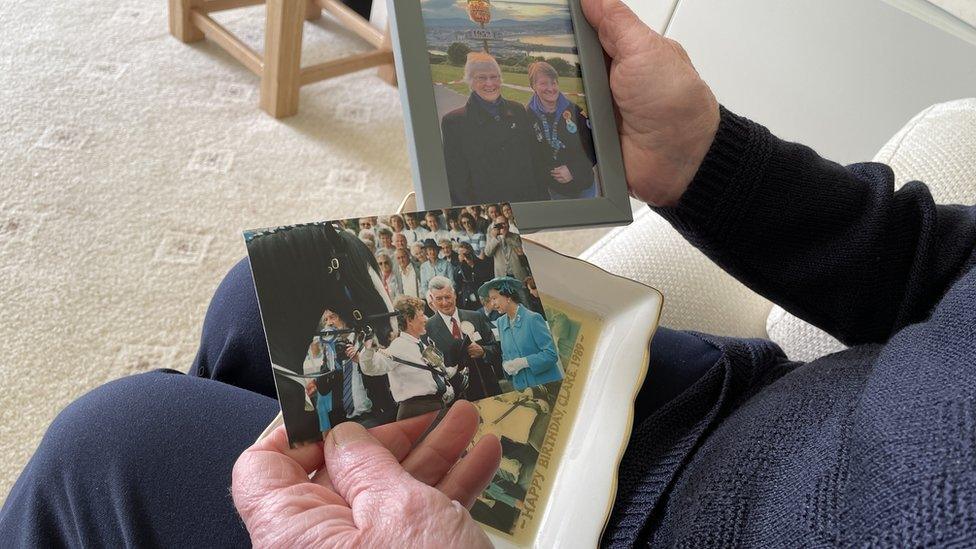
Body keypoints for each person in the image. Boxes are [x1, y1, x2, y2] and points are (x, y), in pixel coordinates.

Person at [4, 1, 976, 546]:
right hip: (730, 407)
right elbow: (936, 268)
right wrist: (704, 157)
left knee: (115, 445)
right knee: (275, 298)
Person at [441, 53, 550, 205]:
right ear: (470, 82)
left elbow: (533, 159)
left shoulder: (518, 110)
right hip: (490, 213)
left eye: (494, 77)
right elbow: (457, 179)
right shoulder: (454, 122)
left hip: (526, 203)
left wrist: (543, 201)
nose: (489, 83)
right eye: (481, 78)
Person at [359, 295, 456, 420]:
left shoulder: (422, 344)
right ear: (409, 320)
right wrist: (368, 349)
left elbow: (436, 375)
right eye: (421, 315)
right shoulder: (398, 345)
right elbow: (371, 368)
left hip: (434, 407)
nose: (426, 319)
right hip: (416, 411)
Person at [525, 61, 599, 200]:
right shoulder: (527, 116)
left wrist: (573, 171)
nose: (550, 88)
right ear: (533, 86)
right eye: (543, 83)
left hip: (584, 186)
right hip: (556, 191)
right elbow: (531, 157)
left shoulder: (575, 112)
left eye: (553, 83)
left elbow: (594, 148)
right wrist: (547, 177)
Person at [425, 276, 503, 402]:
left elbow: (496, 348)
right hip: (457, 398)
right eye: (439, 299)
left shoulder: (476, 317)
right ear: (432, 300)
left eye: (448, 297)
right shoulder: (427, 328)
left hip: (487, 389)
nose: (444, 302)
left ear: (455, 295)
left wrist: (483, 351)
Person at [478, 277, 562, 391]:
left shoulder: (533, 318)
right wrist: (506, 365)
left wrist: (525, 362)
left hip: (545, 386)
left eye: (494, 298)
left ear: (508, 296)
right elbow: (506, 354)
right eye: (490, 299)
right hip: (522, 389)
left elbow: (551, 354)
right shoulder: (501, 322)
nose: (492, 304)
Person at [484, 215, 528, 281]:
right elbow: (488, 253)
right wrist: (494, 239)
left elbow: (519, 250)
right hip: (502, 275)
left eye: (504, 223)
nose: (503, 226)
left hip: (517, 274)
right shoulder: (492, 237)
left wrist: (505, 236)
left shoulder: (515, 236)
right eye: (500, 224)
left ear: (508, 224)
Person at [455, 242, 494, 311]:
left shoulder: (481, 264)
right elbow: (457, 282)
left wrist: (472, 265)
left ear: (471, 253)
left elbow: (485, 278)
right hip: (466, 298)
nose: (463, 257)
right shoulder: (458, 268)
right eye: (460, 254)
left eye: (465, 254)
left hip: (480, 296)